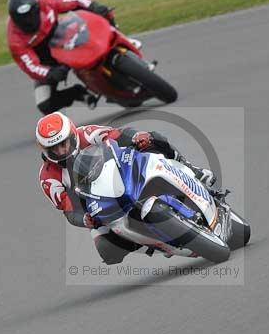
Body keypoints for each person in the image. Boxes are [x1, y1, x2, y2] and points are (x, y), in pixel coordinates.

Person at [36, 112, 215, 264]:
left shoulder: (87, 133)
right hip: (98, 207)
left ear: (73, 136)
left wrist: (137, 137)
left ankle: (192, 170)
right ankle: (155, 242)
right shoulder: (48, 178)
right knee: (108, 251)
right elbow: (68, 211)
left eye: (63, 144)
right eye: (54, 148)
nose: (60, 151)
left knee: (153, 139)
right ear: (44, 150)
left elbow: (118, 134)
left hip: (122, 173)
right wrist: (85, 220)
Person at [7, 0, 116, 114]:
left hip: (67, 39)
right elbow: (31, 66)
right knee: (44, 104)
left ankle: (120, 42)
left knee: (102, 17)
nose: (28, 21)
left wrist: (93, 6)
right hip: (49, 63)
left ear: (37, 8)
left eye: (31, 15)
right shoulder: (15, 40)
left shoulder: (46, 2)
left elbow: (75, 0)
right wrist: (49, 74)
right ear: (14, 19)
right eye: (23, 20)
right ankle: (77, 93)